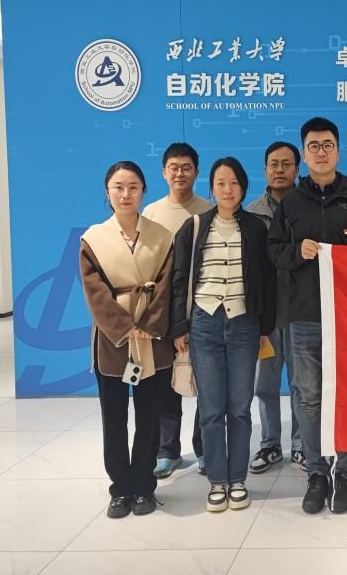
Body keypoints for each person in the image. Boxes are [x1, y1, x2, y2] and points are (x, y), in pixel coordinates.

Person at [268, 117, 347, 515]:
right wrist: (297, 252)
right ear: (304, 153)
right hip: (304, 316)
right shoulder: (291, 202)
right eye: (313, 146)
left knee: (344, 395)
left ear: (338, 150)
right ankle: (317, 473)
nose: (321, 152)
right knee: (310, 396)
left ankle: (341, 471)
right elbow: (274, 251)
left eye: (327, 145)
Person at [170, 157, 276, 513]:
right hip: (204, 324)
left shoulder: (257, 228)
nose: (228, 190)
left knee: (240, 408)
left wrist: (264, 328)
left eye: (234, 183)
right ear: (212, 188)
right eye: (220, 183)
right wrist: (179, 327)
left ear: (243, 187)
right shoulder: (194, 226)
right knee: (211, 408)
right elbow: (180, 279)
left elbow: (268, 281)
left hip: (245, 325)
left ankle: (238, 479)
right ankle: (217, 480)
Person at [79, 161, 174, 519]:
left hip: (151, 336)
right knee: (114, 417)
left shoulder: (162, 236)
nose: (126, 194)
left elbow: (167, 284)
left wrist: (149, 324)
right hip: (112, 340)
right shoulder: (93, 238)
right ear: (107, 192)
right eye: (118, 187)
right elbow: (95, 291)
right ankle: (120, 488)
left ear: (143, 191)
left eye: (133, 187)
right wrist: (123, 326)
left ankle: (145, 485)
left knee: (150, 415)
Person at [143, 142, 212, 479]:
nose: (180, 173)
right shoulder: (151, 213)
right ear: (163, 172)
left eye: (186, 167)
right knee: (164, 383)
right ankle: (167, 451)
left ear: (197, 172)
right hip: (161, 309)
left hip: (200, 308)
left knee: (206, 381)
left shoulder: (208, 210)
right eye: (173, 167)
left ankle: (205, 448)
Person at [246, 141, 305, 474]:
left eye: (286, 164)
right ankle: (270, 444)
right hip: (266, 316)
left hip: (301, 312)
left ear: (298, 169)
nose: (280, 170)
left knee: (301, 383)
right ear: (265, 169)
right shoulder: (252, 214)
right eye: (273, 164)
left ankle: (300, 445)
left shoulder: (308, 207)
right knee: (265, 384)